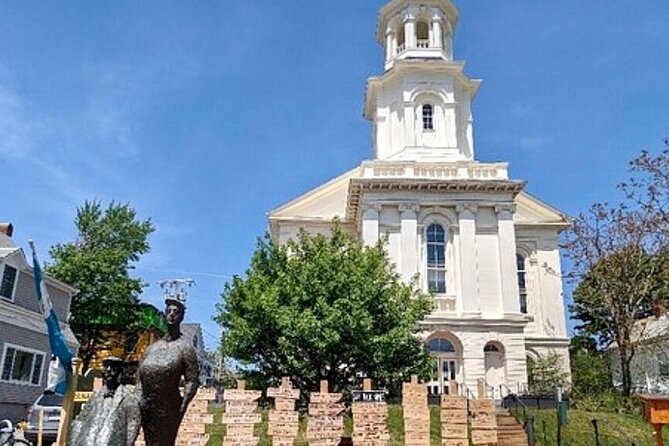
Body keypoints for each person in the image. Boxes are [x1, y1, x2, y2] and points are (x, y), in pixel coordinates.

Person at [138, 297, 200, 446]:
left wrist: (183, 404)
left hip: (169, 406)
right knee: (150, 442)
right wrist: (138, 398)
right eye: (168, 311)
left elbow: (192, 380)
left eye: (176, 312)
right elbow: (139, 377)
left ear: (181, 317)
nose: (172, 314)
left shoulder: (185, 349)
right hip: (147, 405)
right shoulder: (151, 348)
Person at [68, 357, 141, 446]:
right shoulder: (95, 396)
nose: (109, 370)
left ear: (120, 371)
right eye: (107, 367)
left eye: (113, 367)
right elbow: (80, 420)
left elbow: (132, 427)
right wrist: (73, 441)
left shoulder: (129, 398)